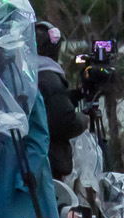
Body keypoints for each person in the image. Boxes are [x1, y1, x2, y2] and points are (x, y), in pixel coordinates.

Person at [35, 24, 88, 181]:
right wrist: (84, 119)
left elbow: (47, 108)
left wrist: (74, 96)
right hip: (48, 164)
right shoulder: (49, 78)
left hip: (33, 160)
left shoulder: (29, 75)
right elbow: (65, 122)